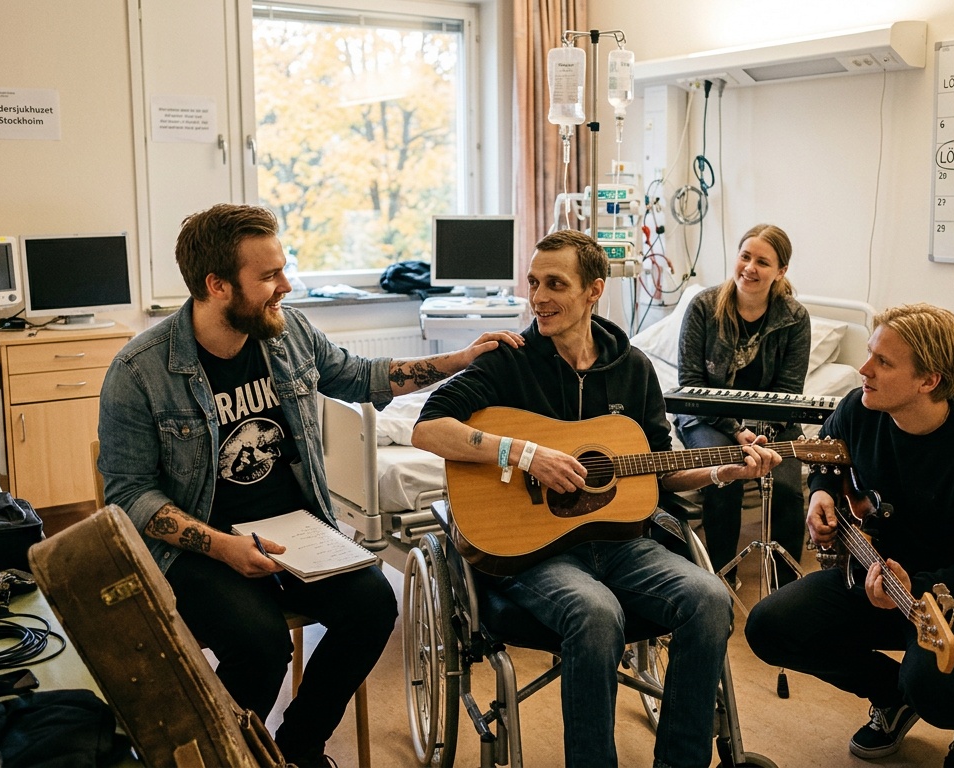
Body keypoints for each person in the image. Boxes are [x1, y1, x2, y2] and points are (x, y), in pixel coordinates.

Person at [97, 203, 522, 767]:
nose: (286, 285)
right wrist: (222, 546)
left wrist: (462, 359)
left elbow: (361, 375)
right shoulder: (139, 372)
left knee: (373, 605)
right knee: (261, 645)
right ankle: (220, 756)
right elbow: (128, 495)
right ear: (216, 285)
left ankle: (297, 747)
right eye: (268, 276)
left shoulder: (287, 331)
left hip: (300, 533)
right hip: (203, 549)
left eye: (283, 268)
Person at [411, 229, 781, 768]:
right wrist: (524, 454)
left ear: (594, 292)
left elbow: (658, 470)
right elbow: (427, 429)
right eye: (534, 282)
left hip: (625, 541)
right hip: (531, 550)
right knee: (596, 611)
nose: (537, 297)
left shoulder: (632, 368)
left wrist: (719, 470)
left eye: (555, 283)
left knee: (710, 599)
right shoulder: (507, 360)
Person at [744, 303, 954, 768]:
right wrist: (820, 492)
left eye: (883, 362)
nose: (864, 370)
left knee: (936, 687)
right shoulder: (861, 408)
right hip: (878, 576)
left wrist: (918, 588)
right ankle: (891, 697)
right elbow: (827, 452)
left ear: (929, 380)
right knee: (769, 627)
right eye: (870, 355)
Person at [675, 224, 810, 583]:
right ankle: (722, 575)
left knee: (785, 488)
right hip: (706, 416)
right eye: (745, 256)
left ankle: (786, 585)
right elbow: (690, 384)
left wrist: (759, 432)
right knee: (725, 478)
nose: (749, 267)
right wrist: (736, 432)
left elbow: (788, 391)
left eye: (762, 262)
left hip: (773, 421)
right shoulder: (704, 307)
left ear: (780, 272)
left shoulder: (794, 319)